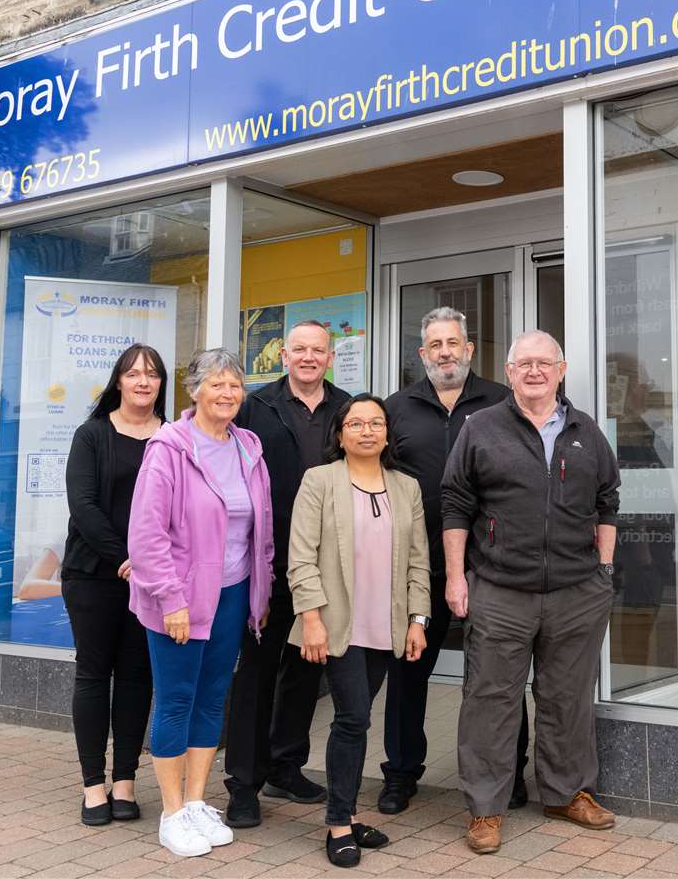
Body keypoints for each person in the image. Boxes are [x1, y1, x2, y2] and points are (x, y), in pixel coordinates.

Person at [441, 330, 622, 855]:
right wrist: (457, 578)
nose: (535, 372)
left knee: (567, 697)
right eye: (524, 364)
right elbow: (456, 505)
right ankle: (485, 809)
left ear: (561, 370)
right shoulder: (481, 428)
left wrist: (604, 570)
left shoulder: (586, 431)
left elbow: (608, 502)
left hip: (577, 590)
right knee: (490, 699)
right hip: (499, 589)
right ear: (510, 371)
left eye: (545, 363)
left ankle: (567, 793)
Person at [377, 307, 529, 816]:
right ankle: (400, 773)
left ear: (469, 349)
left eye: (454, 343)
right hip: (418, 568)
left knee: (497, 676)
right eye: (435, 345)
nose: (445, 352)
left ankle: (509, 774)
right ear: (423, 355)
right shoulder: (396, 408)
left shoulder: (504, 402)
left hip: (489, 564)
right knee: (407, 675)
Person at [129, 349, 275, 858]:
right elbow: (146, 536)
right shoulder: (168, 448)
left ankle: (195, 802)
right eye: (216, 384)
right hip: (181, 598)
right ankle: (171, 812)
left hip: (233, 593)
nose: (228, 394)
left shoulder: (248, 447)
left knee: (214, 699)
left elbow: (262, 530)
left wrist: (261, 591)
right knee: (176, 699)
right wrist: (170, 598)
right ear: (194, 391)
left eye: (235, 384)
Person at [289, 395, 430, 868]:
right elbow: (301, 556)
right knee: (353, 719)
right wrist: (311, 617)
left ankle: (345, 810)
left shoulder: (406, 487)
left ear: (387, 434)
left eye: (376, 423)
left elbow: (418, 562)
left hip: (386, 625)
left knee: (358, 717)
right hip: (336, 624)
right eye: (356, 423)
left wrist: (418, 619)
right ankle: (338, 823)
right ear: (340, 433)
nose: (366, 430)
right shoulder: (320, 481)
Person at [222, 320, 353, 826]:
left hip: (325, 566)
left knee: (306, 667)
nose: (307, 357)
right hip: (267, 561)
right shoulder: (255, 406)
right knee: (255, 670)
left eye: (317, 350)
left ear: (330, 356)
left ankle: (286, 764)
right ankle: (244, 783)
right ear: (284, 356)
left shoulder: (346, 407)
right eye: (298, 349)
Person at [61, 343, 165, 826]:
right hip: (95, 576)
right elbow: (83, 507)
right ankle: (93, 786)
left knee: (137, 677)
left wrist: (152, 566)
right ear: (118, 381)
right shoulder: (92, 435)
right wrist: (127, 558)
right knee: (93, 675)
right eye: (134, 374)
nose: (143, 382)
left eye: (152, 375)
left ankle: (125, 780)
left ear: (162, 384)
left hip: (154, 580)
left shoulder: (174, 438)